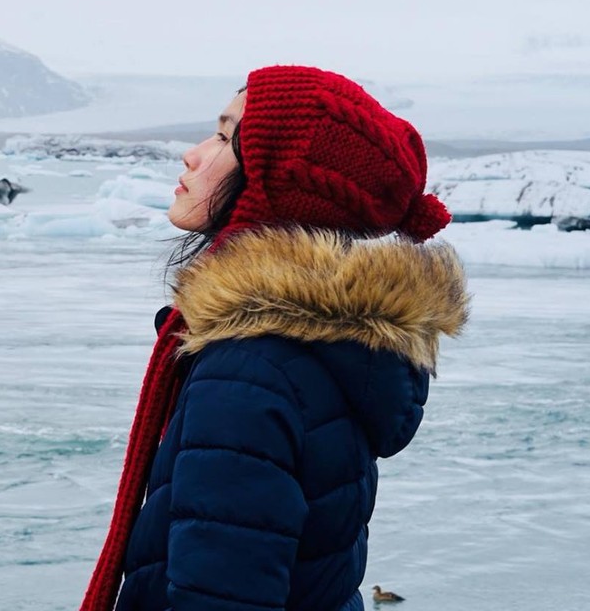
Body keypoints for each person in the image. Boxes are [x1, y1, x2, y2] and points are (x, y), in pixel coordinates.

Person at [79, 66, 470, 611]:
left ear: (274, 184)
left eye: (223, 137)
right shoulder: (316, 351)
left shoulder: (249, 372)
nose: (192, 154)